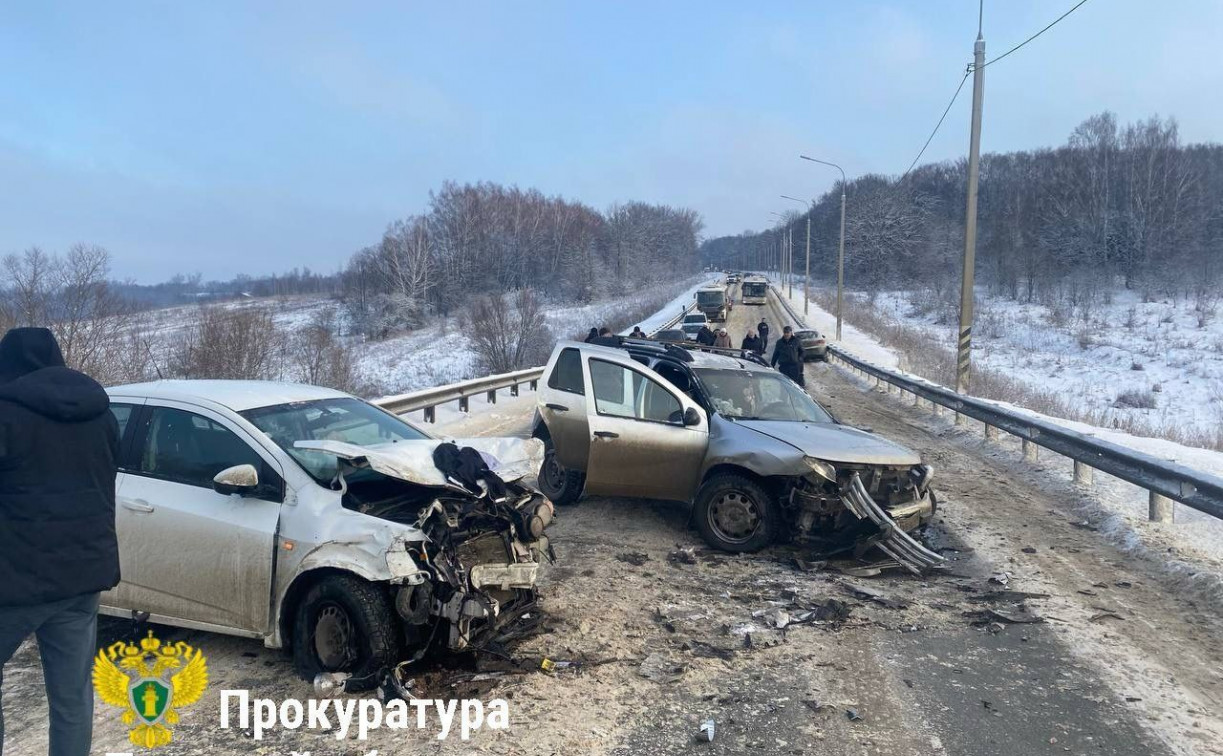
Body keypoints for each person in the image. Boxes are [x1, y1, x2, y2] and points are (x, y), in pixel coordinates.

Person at [0, 327, 120, 756]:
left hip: (13, 584)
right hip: (82, 577)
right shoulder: (102, 415)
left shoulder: (5, 416)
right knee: (72, 697)